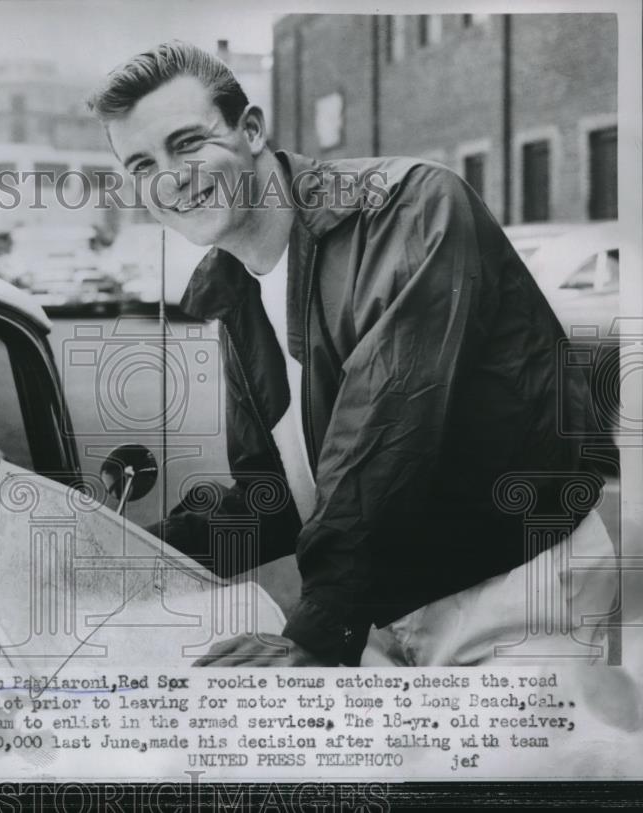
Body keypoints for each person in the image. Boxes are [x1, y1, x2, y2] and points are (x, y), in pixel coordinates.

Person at [86, 41, 616, 667]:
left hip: (514, 596)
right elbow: (274, 494)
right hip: (383, 606)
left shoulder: (409, 208)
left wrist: (317, 631)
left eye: (187, 142)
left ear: (251, 129)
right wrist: (126, 559)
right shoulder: (232, 289)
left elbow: (387, 437)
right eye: (142, 165)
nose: (170, 179)